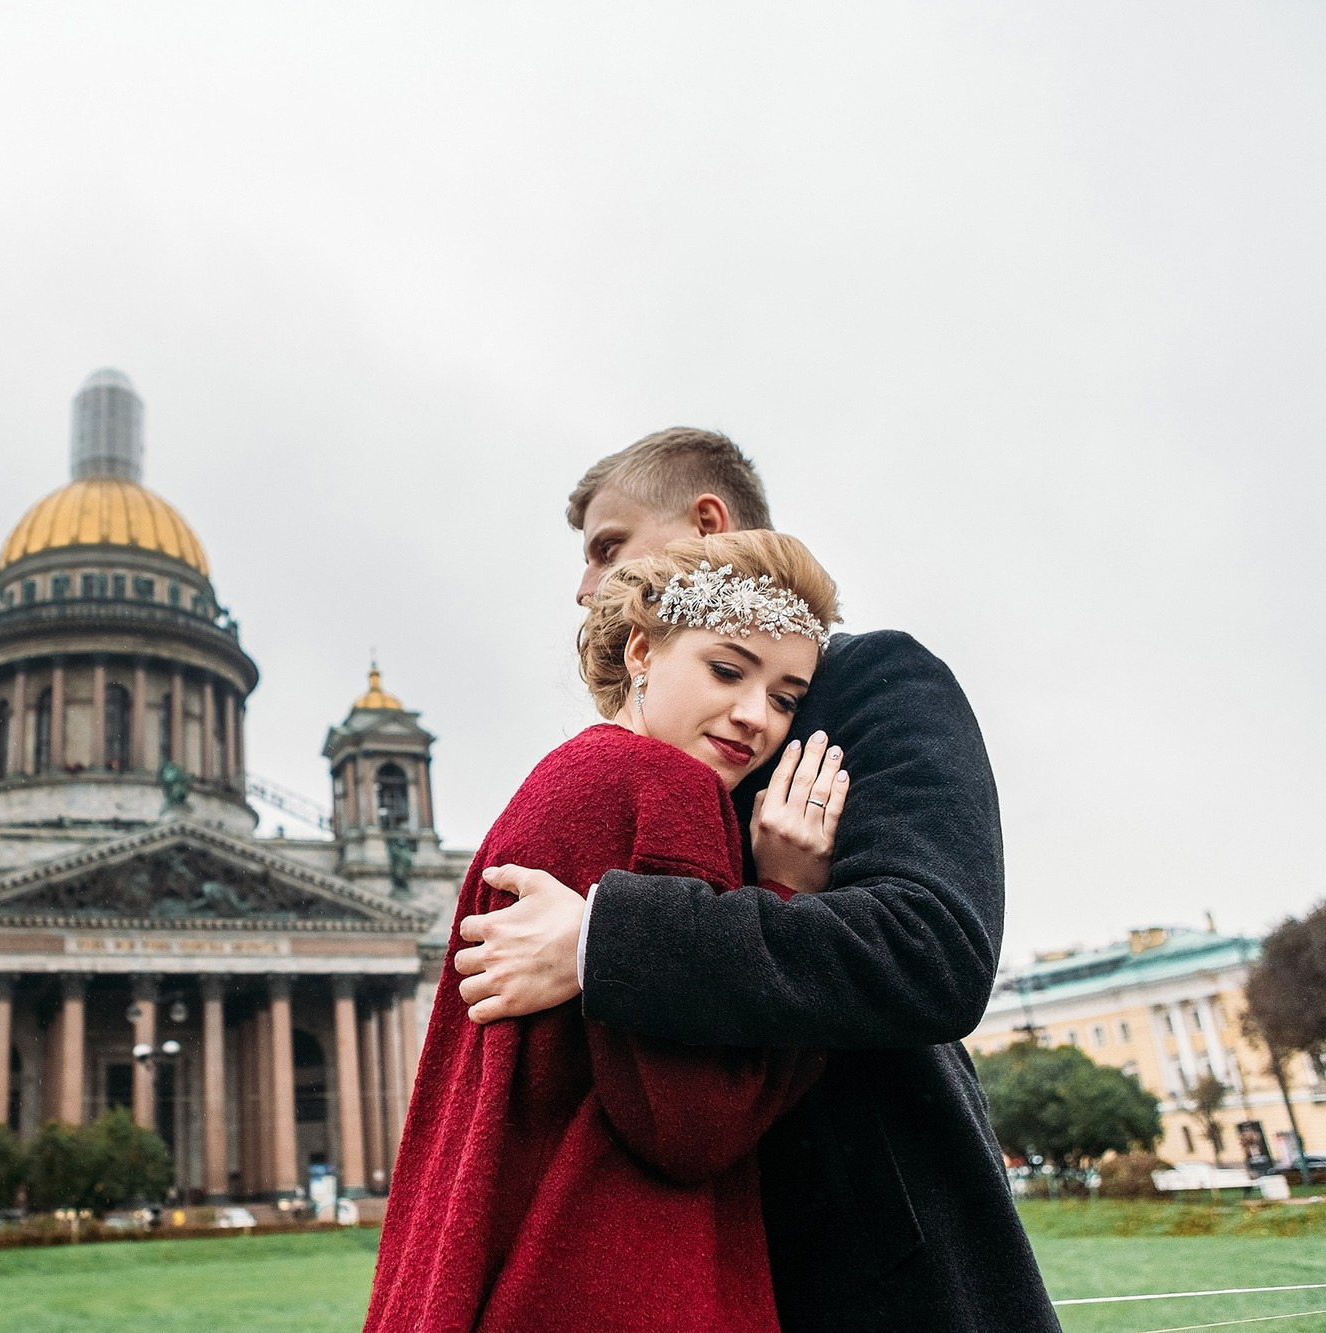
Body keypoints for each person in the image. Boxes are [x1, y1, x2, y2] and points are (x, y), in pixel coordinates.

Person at [452, 429, 1056, 1331]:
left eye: (609, 546)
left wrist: (603, 937)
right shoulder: (626, 763)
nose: (585, 585)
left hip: (878, 1266)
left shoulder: (875, 682)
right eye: (729, 673)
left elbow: (934, 947)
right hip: (680, 1264)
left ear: (707, 523)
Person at [367, 531, 846, 1332]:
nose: (755, 716)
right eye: (727, 670)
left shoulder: (556, 781)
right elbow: (694, 1122)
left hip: (499, 1266)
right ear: (641, 650)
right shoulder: (671, 790)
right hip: (615, 1276)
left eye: (787, 698)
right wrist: (785, 893)